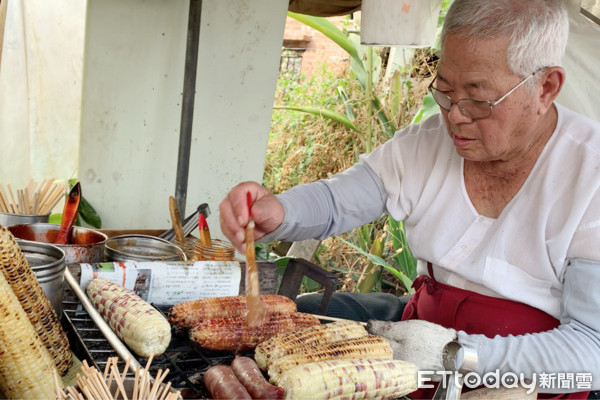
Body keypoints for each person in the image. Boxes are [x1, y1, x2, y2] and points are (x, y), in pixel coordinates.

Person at [219, 0, 600, 397]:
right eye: (446, 91)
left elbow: (593, 353)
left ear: (546, 87)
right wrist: (279, 211)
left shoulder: (590, 175)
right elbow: (335, 201)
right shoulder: (429, 143)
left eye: (477, 99)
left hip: (532, 377)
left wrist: (460, 355)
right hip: (416, 347)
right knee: (306, 315)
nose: (454, 116)